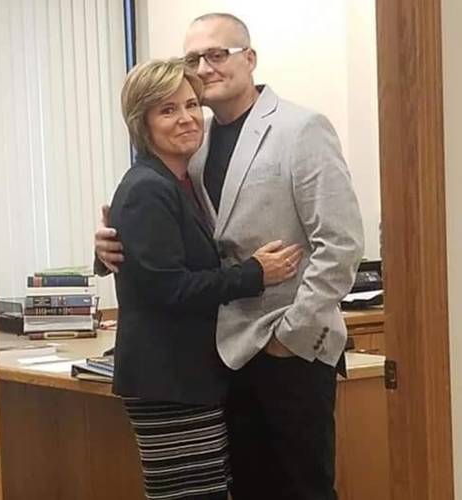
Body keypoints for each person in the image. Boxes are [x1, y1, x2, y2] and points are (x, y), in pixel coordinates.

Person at [96, 13, 364, 500]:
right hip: (223, 355)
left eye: (217, 54)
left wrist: (292, 335)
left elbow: (341, 244)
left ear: (250, 58)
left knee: (302, 488)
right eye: (194, 58)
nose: (205, 67)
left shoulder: (301, 129)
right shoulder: (194, 142)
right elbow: (172, 235)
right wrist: (110, 246)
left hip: (289, 348)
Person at [110, 58, 302, 500]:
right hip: (167, 380)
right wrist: (254, 273)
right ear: (142, 122)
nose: (187, 118)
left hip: (189, 377)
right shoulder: (147, 188)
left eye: (192, 105)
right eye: (168, 110)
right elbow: (170, 288)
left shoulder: (181, 182)